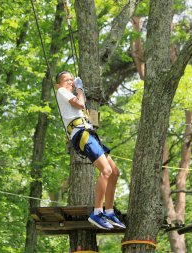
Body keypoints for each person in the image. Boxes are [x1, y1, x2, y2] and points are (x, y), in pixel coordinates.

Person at [55, 70, 126, 230]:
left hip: (90, 134)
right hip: (81, 134)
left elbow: (81, 104)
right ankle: (97, 212)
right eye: (67, 80)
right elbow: (80, 103)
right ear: (59, 83)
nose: (70, 82)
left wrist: (80, 91)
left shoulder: (70, 97)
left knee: (115, 172)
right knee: (106, 170)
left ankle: (109, 211)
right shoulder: (61, 91)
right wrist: (80, 89)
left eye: (72, 80)